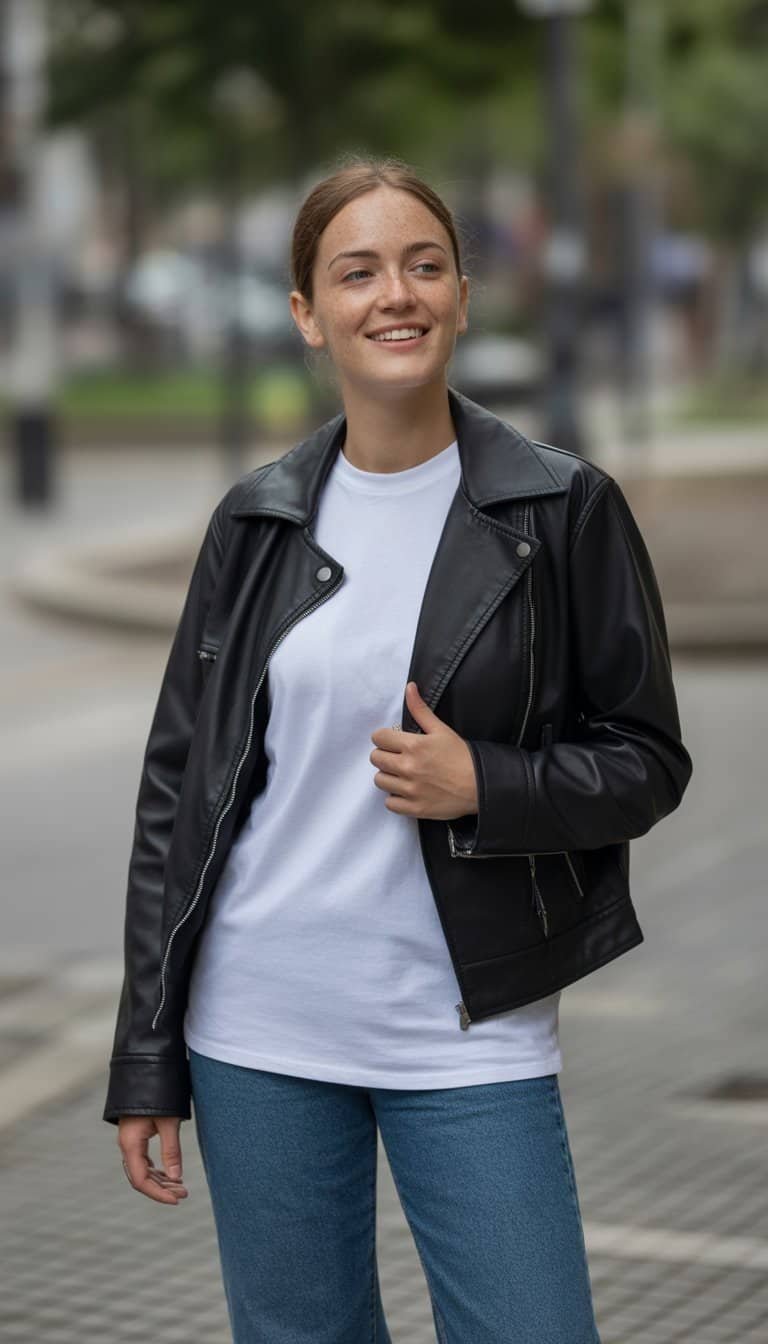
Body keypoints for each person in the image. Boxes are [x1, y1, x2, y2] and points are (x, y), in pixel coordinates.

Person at [104, 154, 693, 1344]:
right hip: (258, 1027)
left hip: (465, 1028)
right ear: (307, 315)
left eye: (425, 266)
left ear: (465, 297)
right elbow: (178, 790)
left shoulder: (559, 507)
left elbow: (648, 756)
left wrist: (491, 784)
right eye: (357, 271)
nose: (396, 295)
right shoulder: (256, 519)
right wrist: (146, 1055)